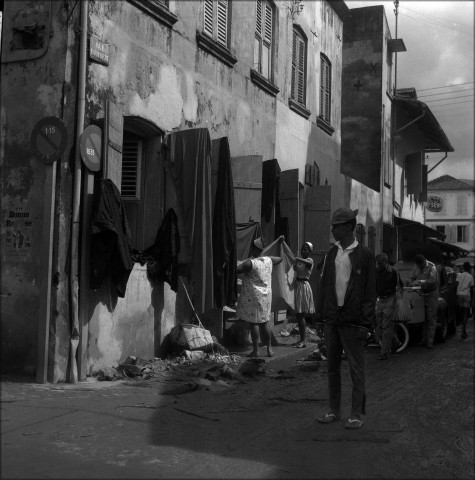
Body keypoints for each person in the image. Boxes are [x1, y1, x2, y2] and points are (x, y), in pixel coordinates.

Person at [316, 208, 376, 430]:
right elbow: (325, 287)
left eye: (337, 226)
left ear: (349, 227)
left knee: (355, 369)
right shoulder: (332, 253)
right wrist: (321, 318)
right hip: (332, 319)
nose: (332, 229)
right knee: (331, 367)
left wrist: (365, 323)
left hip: (353, 321)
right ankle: (333, 411)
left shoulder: (364, 254)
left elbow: (370, 292)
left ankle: (356, 414)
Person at [236, 236, 282, 357]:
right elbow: (280, 259)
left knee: (254, 323)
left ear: (253, 248)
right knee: (265, 322)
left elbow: (236, 270)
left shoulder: (250, 263)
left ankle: (256, 350)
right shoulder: (268, 260)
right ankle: (269, 349)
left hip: (254, 297)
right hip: (266, 296)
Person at [375, 253, 403, 360]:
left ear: (386, 262)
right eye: (378, 263)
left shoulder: (394, 271)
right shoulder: (376, 271)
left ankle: (384, 352)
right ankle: (396, 341)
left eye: (380, 263)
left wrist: (398, 299)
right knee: (380, 325)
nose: (379, 265)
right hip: (380, 299)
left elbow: (400, 286)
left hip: (390, 299)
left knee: (386, 326)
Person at [409, 253, 439, 349]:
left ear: (423, 262)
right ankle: (424, 339)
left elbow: (433, 281)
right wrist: (410, 281)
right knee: (423, 317)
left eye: (420, 265)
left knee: (431, 318)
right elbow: (412, 277)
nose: (419, 266)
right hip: (420, 294)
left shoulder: (431, 267)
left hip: (431, 295)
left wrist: (420, 281)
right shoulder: (416, 267)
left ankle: (430, 341)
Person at [292, 242, 316, 348]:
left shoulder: (309, 260)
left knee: (300, 314)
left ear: (310, 252)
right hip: (297, 286)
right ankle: (301, 339)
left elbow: (307, 263)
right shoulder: (299, 262)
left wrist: (296, 258)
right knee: (298, 315)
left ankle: (303, 340)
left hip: (303, 286)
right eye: (302, 249)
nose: (303, 251)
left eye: (306, 249)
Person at [456, 261, 474, 339]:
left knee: (461, 312)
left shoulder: (459, 275)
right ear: (469, 268)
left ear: (463, 267)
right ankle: (463, 330)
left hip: (459, 295)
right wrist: (473, 300)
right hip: (466, 295)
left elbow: (456, 284)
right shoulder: (470, 276)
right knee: (466, 314)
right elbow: (472, 289)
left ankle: (462, 329)